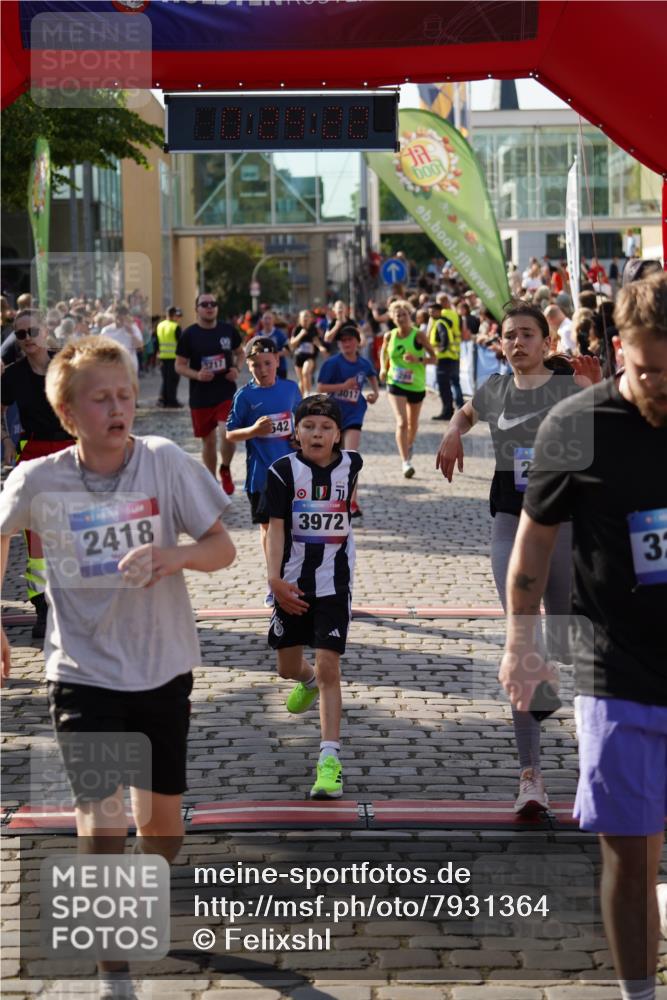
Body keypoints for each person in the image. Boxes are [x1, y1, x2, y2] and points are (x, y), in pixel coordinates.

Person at [0, 336, 236, 999]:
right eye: (100, 398)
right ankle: (113, 968)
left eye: (126, 395)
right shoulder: (38, 478)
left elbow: (222, 549)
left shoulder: (162, 463)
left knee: (162, 829)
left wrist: (174, 558)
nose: (118, 408)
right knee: (100, 820)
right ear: (68, 413)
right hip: (81, 670)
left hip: (163, 666)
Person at [499, 272, 667, 1000]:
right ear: (615, 349)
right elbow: (532, 546)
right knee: (629, 857)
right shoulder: (575, 426)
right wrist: (518, 642)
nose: (662, 386)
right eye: (648, 370)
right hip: (615, 674)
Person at [436, 302, 601, 814]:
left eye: (528, 334)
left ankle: (591, 754)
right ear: (500, 343)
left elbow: (617, 426)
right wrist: (451, 431)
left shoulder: (569, 382)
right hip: (512, 524)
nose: (518, 342)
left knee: (573, 651)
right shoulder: (495, 389)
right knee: (526, 646)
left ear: (546, 342)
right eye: (510, 335)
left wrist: (595, 389)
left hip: (567, 529)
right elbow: (467, 412)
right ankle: (530, 777)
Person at [265, 395, 362, 800]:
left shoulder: (352, 465)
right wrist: (274, 581)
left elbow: (346, 507)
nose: (317, 434)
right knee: (289, 667)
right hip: (293, 584)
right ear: (295, 432)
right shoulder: (282, 471)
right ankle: (303, 678)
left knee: (329, 668)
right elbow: (275, 528)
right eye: (309, 426)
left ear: (338, 434)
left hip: (335, 585)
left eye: (325, 427)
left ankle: (329, 761)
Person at [1, 310, 75, 638]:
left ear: (46, 332)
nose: (27, 337)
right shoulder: (13, 375)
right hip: (32, 455)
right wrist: (5, 439)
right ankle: (42, 608)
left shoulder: (68, 363)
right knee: (36, 535)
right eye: (20, 334)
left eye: (32, 330)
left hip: (72, 450)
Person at [226, 337, 301, 606]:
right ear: (248, 366)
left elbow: (301, 422)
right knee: (269, 529)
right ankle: (274, 582)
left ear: (277, 362)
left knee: (293, 530)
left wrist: (299, 439)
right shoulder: (245, 396)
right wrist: (254, 431)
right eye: (256, 365)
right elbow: (230, 434)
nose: (263, 369)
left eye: (267, 363)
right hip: (261, 476)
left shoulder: (291, 389)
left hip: (292, 472)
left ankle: (292, 577)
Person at [175, 293, 244, 495]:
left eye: (213, 303)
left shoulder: (227, 330)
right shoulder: (189, 335)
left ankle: (225, 468)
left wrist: (237, 369)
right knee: (209, 441)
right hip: (200, 396)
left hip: (225, 392)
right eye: (204, 304)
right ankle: (211, 480)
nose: (209, 307)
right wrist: (197, 374)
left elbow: (241, 353)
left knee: (227, 433)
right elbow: (179, 366)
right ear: (196, 309)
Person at [317, 325, 379, 517]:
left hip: (354, 413)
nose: (346, 344)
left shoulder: (363, 363)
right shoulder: (333, 363)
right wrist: (342, 386)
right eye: (343, 341)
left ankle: (352, 502)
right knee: (332, 459)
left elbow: (372, 376)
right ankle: (331, 497)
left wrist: (375, 393)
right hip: (333, 416)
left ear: (357, 342)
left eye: (350, 339)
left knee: (350, 456)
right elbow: (320, 387)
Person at [380, 299, 436, 478]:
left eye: (404, 314)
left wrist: (417, 360)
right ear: (393, 318)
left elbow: (434, 358)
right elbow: (383, 352)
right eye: (397, 315)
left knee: (413, 424)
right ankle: (405, 462)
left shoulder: (418, 335)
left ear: (409, 316)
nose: (401, 318)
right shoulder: (389, 336)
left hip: (416, 384)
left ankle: (409, 445)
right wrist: (383, 368)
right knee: (402, 422)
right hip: (395, 382)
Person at [428, 298, 465, 421]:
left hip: (444, 358)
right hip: (450, 357)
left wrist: (440, 351)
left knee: (444, 386)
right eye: (429, 312)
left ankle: (447, 411)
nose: (431, 314)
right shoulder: (444, 321)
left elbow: (445, 339)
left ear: (439, 311)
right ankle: (449, 409)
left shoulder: (439, 323)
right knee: (450, 384)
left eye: (433, 312)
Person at [290, 309, 325, 396]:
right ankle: (301, 401)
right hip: (298, 357)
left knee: (306, 372)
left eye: (307, 316)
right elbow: (292, 344)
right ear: (300, 319)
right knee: (301, 381)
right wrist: (300, 335)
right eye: (303, 316)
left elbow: (316, 340)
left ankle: (307, 394)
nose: (305, 318)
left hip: (310, 357)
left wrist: (321, 348)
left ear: (311, 319)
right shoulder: (297, 329)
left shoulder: (314, 329)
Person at [100, 305, 144, 373]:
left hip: (130, 366)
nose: (120, 320)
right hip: (112, 366)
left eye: (123, 317)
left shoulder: (133, 328)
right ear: (114, 316)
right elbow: (101, 349)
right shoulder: (106, 330)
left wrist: (131, 333)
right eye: (118, 316)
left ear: (127, 316)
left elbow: (140, 347)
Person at [156, 306, 183, 408]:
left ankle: (162, 400)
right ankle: (172, 401)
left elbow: (156, 341)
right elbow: (181, 343)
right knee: (173, 380)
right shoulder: (175, 326)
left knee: (165, 379)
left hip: (162, 356)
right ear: (174, 315)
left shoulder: (160, 325)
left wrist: (157, 354)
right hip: (173, 357)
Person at [256, 309, 290, 378]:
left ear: (273, 321)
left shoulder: (280, 334)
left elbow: (287, 351)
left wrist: (273, 355)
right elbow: (253, 351)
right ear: (262, 321)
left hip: (279, 368)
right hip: (263, 369)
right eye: (265, 318)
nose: (267, 321)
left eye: (269, 318)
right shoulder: (258, 335)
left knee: (280, 388)